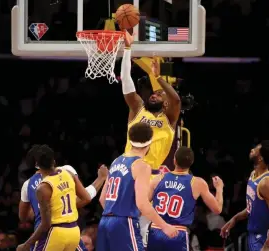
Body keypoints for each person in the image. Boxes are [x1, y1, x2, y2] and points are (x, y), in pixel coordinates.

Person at [121, 29, 182, 245]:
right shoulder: (138, 108)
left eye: (160, 94)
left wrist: (157, 78)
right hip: (127, 169)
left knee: (142, 230)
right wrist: (127, 50)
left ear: (164, 103)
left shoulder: (169, 118)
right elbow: (126, 82)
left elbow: (175, 101)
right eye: (154, 92)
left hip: (150, 174)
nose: (155, 94)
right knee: (122, 223)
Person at [96, 122, 179, 251]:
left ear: (130, 139)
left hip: (104, 222)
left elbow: (102, 199)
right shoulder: (142, 166)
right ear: (150, 142)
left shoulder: (116, 161)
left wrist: (114, 214)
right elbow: (142, 204)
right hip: (124, 222)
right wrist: (165, 226)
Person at [18, 144, 108, 251]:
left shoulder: (31, 185)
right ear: (53, 160)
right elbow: (84, 199)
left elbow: (24, 218)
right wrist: (101, 179)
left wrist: (37, 210)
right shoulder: (68, 171)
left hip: (51, 232)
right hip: (73, 230)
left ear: (36, 165)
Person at [147, 146, 224, 251]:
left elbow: (142, 204)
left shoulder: (158, 178)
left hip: (156, 230)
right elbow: (217, 209)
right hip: (177, 232)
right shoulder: (197, 183)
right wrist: (219, 188)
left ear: (174, 160)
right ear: (191, 163)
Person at [220, 140, 269, 251]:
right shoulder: (253, 174)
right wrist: (235, 219)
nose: (252, 149)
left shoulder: (267, 183)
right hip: (253, 233)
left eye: (256, 149)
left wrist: (267, 245)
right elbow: (251, 208)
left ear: (261, 158)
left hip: (264, 237)